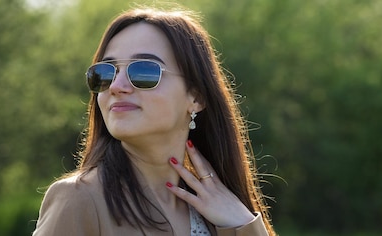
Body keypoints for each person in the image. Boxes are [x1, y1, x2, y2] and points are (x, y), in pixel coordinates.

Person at [33, 6, 276, 236]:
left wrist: (243, 223)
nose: (116, 87)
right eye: (105, 73)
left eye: (144, 72)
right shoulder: (79, 199)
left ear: (196, 97)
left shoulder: (219, 215)